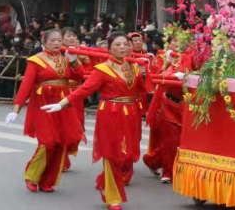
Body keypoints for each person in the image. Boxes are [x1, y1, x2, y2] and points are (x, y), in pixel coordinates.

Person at [41, 32, 146, 210]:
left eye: (124, 44)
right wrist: (62, 103)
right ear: (110, 48)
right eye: (117, 44)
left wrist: (146, 72)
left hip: (131, 114)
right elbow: (84, 90)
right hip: (110, 114)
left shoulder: (134, 68)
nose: (122, 48)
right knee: (112, 154)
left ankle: (105, 184)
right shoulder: (103, 69)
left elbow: (143, 89)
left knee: (126, 155)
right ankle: (114, 197)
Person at [5, 28, 85, 193]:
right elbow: (26, 84)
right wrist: (16, 108)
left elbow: (78, 77)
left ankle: (47, 180)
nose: (56, 43)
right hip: (43, 103)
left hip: (62, 103)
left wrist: (74, 60)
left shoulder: (66, 57)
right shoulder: (36, 60)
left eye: (58, 40)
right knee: (47, 141)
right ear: (45, 42)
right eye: (52, 40)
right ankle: (32, 176)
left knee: (61, 142)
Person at [142, 34, 191, 184]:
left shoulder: (191, 58)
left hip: (187, 105)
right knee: (171, 140)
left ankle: (152, 160)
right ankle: (168, 172)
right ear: (169, 44)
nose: (178, 44)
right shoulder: (167, 57)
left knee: (181, 141)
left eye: (182, 41)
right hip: (169, 104)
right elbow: (160, 77)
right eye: (175, 41)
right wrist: (172, 71)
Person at [61, 27, 90, 171]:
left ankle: (65, 153)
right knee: (64, 127)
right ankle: (62, 158)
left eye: (74, 36)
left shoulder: (80, 52)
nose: (72, 38)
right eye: (68, 36)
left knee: (78, 127)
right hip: (63, 92)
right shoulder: (57, 53)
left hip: (77, 93)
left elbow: (87, 70)